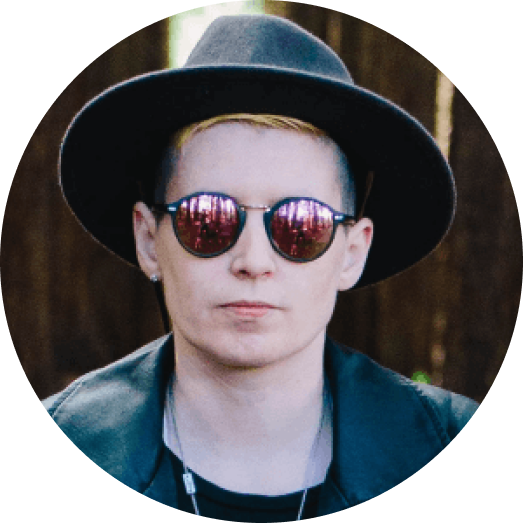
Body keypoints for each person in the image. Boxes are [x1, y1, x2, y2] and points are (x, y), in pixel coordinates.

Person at [43, 14, 479, 520]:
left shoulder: (442, 442)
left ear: (352, 253)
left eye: (301, 224)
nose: (253, 261)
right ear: (148, 241)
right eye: (208, 219)